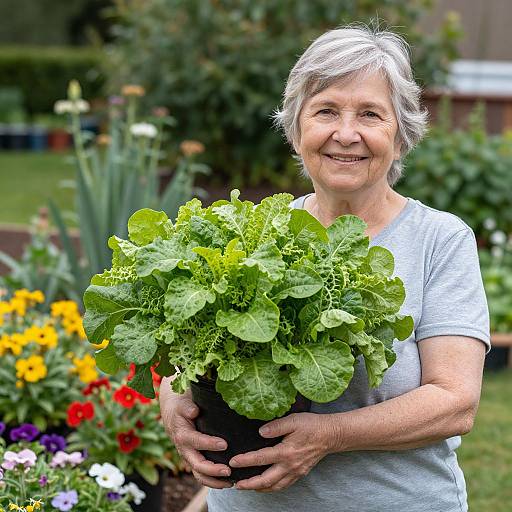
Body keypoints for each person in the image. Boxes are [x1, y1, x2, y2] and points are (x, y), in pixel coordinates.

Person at [159, 25, 489, 512]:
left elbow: (455, 402)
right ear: (297, 131)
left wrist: (328, 435)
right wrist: (174, 405)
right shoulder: (259, 233)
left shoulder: (439, 240)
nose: (347, 134)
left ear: (400, 137)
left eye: (371, 115)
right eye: (326, 111)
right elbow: (185, 347)